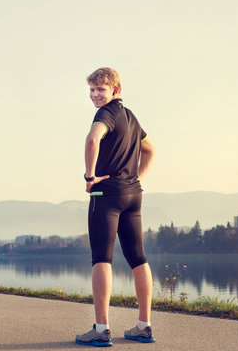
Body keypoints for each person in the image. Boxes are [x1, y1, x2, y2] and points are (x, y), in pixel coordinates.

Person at [75, 67, 156, 346]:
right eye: (92, 90)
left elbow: (92, 139)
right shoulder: (130, 117)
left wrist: (89, 177)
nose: (95, 95)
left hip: (106, 195)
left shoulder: (106, 114)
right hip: (133, 194)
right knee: (138, 258)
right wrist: (136, 178)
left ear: (115, 91)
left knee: (102, 259)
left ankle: (100, 329)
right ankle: (143, 326)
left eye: (101, 89)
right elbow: (150, 149)